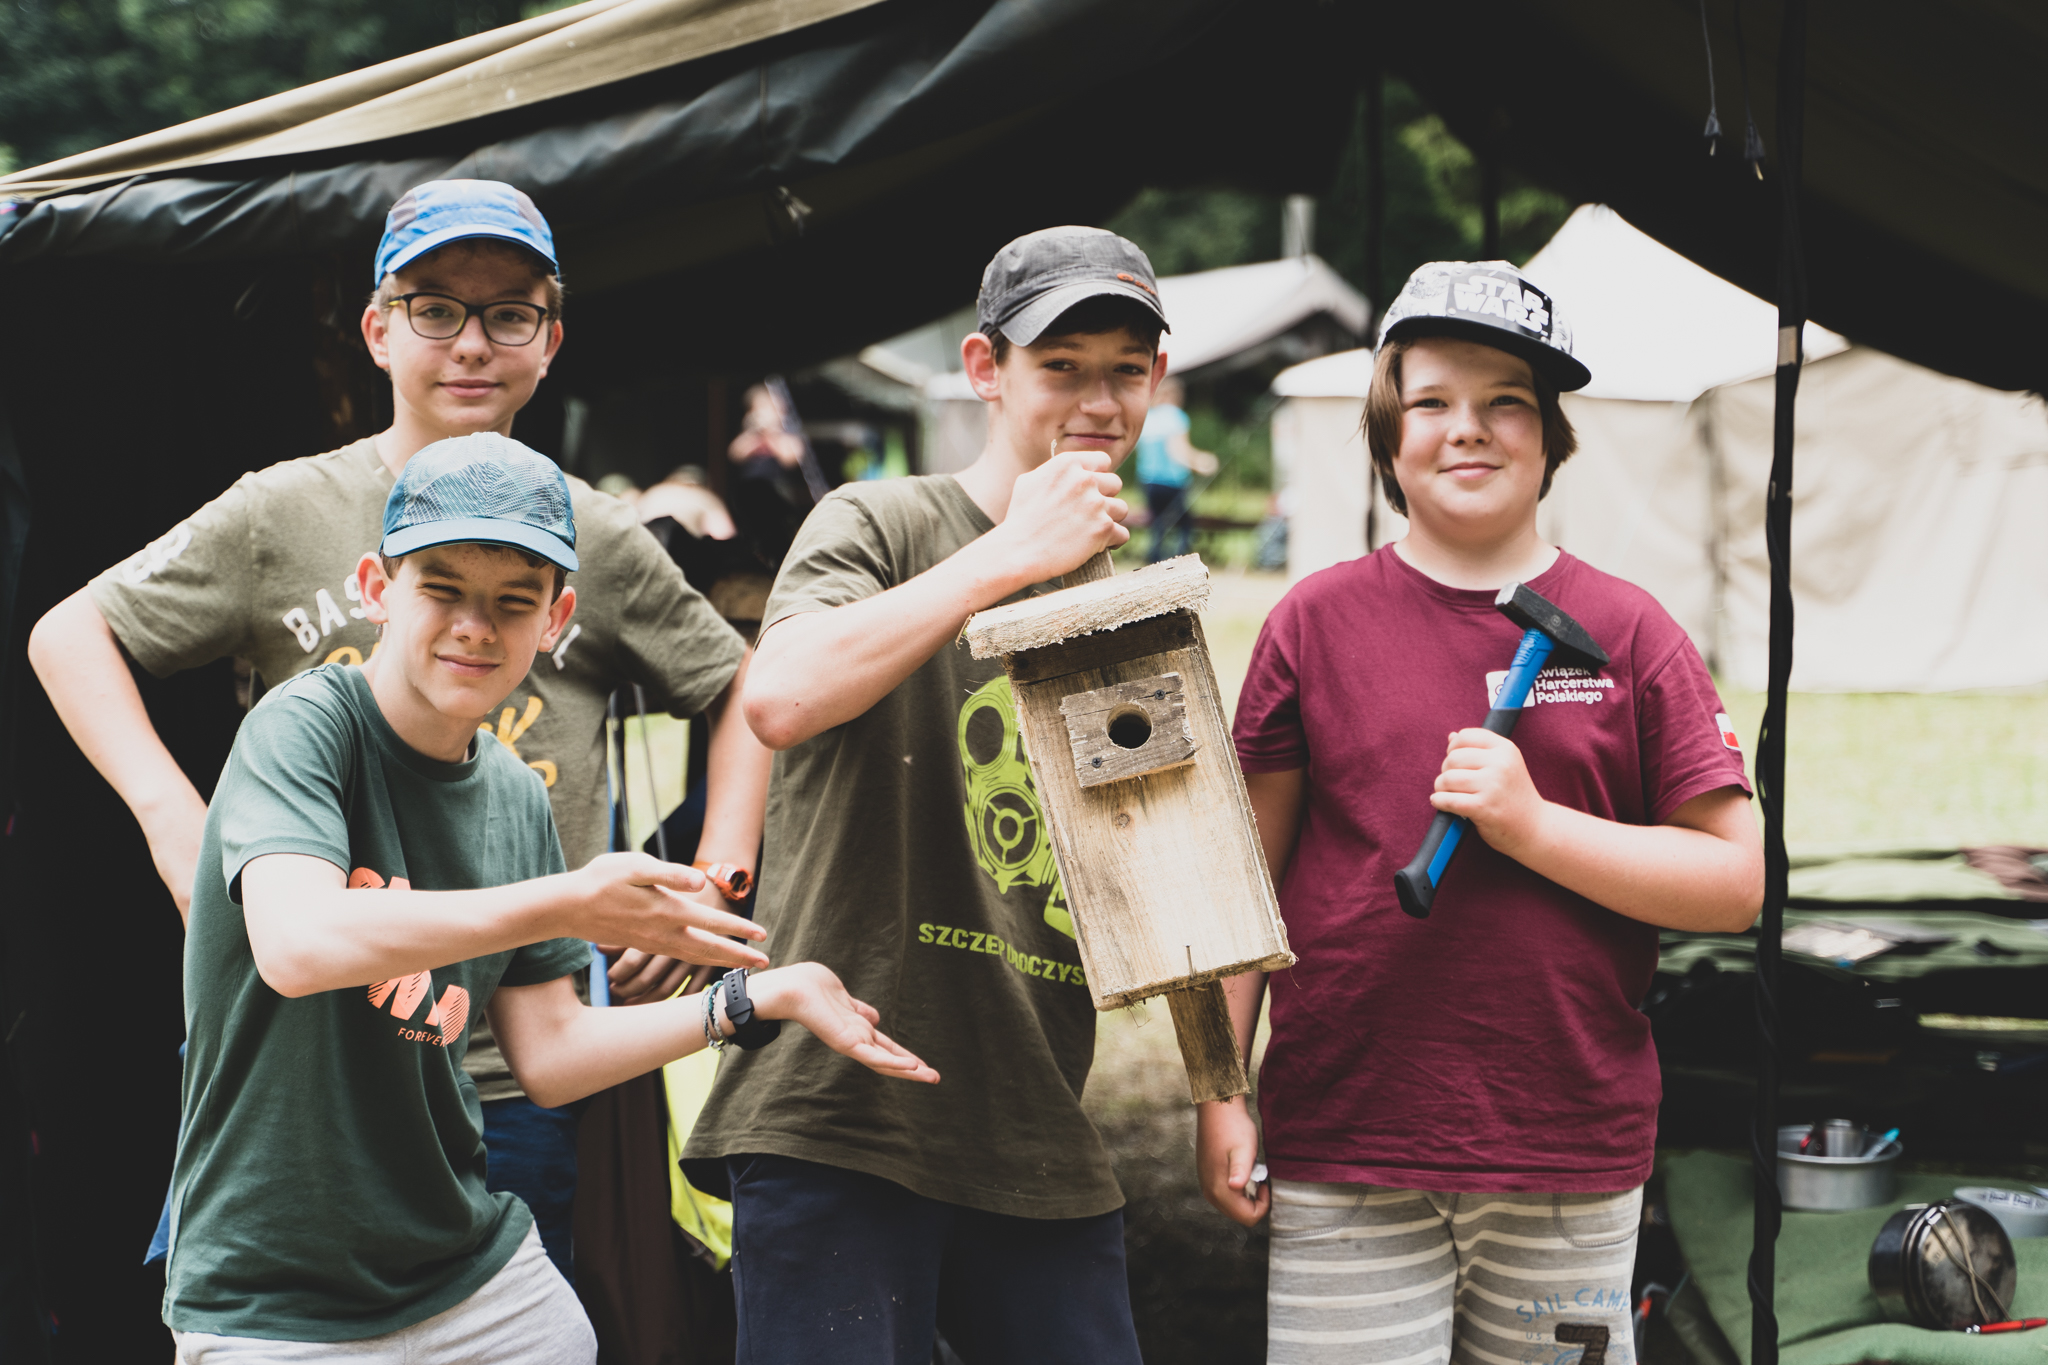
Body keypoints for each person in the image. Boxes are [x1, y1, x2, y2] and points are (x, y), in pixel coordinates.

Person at [25, 178, 773, 1281]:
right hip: (306, 1066)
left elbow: (742, 692)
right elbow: (68, 634)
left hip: (517, 1060)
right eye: (434, 309)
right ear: (378, 332)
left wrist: (716, 873)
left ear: (549, 340)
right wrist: (173, 821)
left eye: (507, 312)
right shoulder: (283, 510)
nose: (471, 343)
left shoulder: (595, 539)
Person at [156, 432, 935, 1362]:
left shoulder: (514, 795)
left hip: (468, 1271)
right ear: (377, 588)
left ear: (555, 617)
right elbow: (297, 944)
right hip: (274, 1296)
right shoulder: (307, 725)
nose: (476, 626)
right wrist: (565, 903)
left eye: (513, 601)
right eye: (441, 588)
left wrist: (759, 998)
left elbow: (553, 1055)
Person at [1198, 261, 1764, 1365]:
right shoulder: (1310, 625)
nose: (1469, 429)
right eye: (1431, 403)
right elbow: (1238, 884)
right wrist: (1221, 1092)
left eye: (1506, 400)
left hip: (1563, 1142)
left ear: (1550, 438)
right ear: (1386, 436)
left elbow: (1731, 885)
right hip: (1348, 1132)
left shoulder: (1631, 631)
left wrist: (1532, 827)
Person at [682, 226, 1166, 1364]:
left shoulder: (1130, 605)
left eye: (1124, 370)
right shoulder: (878, 523)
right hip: (835, 1108)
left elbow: (1144, 872)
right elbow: (782, 697)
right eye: (1061, 366)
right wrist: (1008, 557)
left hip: (1036, 1117)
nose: (1095, 399)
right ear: (984, 368)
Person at [1126, 374, 1217, 562]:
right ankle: (1180, 559)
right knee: (1184, 523)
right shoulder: (1176, 417)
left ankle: (1154, 559)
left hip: (1148, 480)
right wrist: (1201, 463)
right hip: (1172, 481)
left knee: (1157, 523)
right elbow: (1178, 451)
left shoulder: (1147, 419)